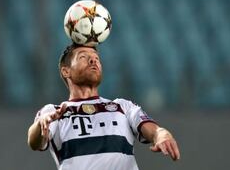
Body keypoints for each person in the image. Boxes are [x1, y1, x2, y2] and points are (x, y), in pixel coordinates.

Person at [27, 43, 180, 170]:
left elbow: (154, 131)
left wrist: (162, 135)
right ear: (66, 71)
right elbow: (35, 142)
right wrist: (41, 125)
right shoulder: (53, 112)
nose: (93, 61)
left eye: (96, 58)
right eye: (83, 57)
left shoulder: (122, 107)